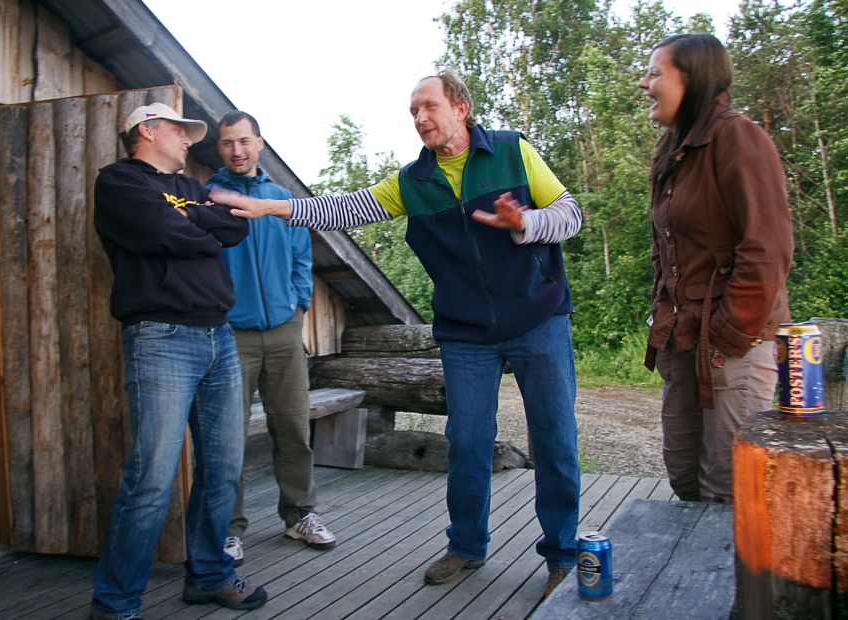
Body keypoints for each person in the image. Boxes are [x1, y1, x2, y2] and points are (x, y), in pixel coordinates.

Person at [216, 71, 582, 601]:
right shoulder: (412, 181)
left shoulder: (512, 151)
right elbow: (343, 208)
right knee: (467, 441)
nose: (420, 118)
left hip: (538, 317)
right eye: (413, 111)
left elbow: (570, 215)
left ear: (461, 107)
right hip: (466, 332)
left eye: (428, 106)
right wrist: (275, 207)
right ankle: (467, 545)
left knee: (554, 438)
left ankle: (563, 555)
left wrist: (525, 223)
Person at [90, 102, 268, 619]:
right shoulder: (119, 182)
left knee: (223, 467)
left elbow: (235, 228)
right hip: (161, 337)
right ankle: (115, 602)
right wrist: (199, 224)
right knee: (152, 476)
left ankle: (209, 576)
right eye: (179, 130)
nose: (190, 140)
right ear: (147, 131)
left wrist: (192, 218)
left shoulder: (191, 186)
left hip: (219, 335)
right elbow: (161, 232)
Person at [639, 34, 793, 503]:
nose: (644, 83)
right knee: (685, 479)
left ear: (692, 79)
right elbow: (666, 250)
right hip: (683, 338)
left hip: (733, 345)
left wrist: (729, 334)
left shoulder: (737, 137)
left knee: (726, 491)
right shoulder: (672, 150)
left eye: (655, 73)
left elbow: (768, 247)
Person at [206, 111, 334, 564]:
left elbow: (302, 259)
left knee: (293, 427)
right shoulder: (209, 199)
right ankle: (227, 529)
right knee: (228, 438)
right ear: (219, 148)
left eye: (244, 141)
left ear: (259, 143)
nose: (237, 151)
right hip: (231, 335)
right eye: (227, 143)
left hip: (283, 330)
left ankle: (300, 515)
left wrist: (297, 307)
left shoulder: (282, 200)